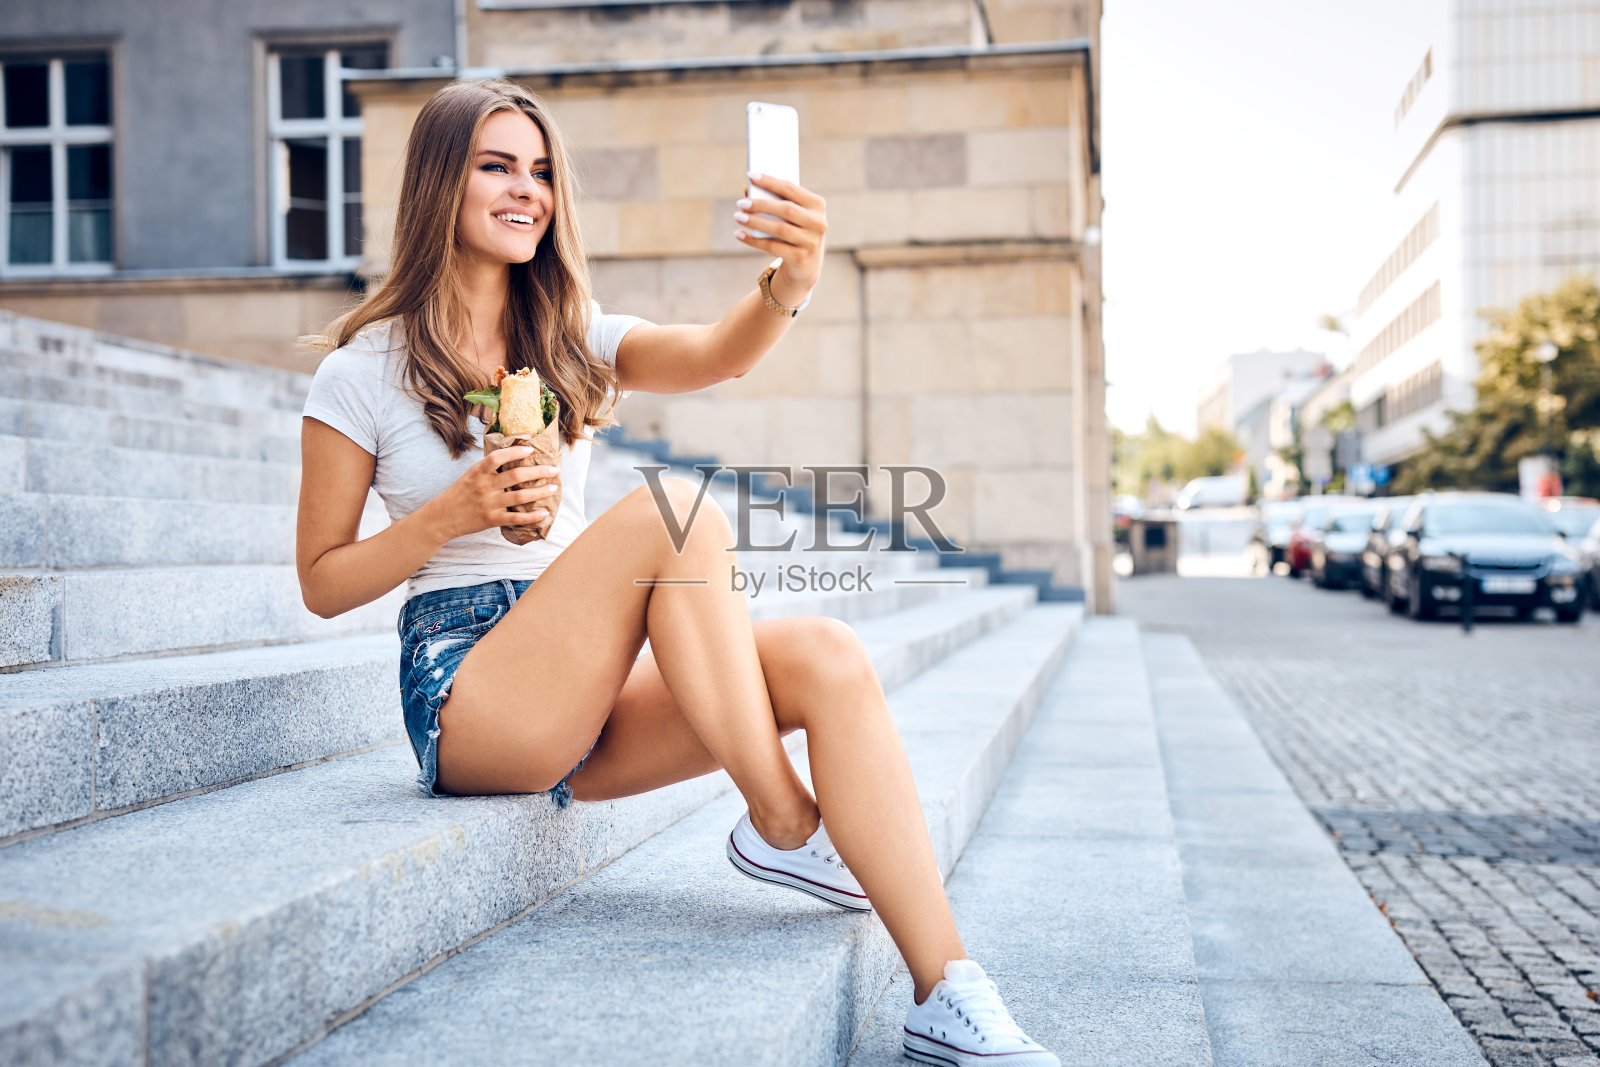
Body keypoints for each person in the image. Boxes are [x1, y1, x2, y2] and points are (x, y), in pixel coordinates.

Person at [296, 79, 1058, 1067]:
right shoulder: (360, 371)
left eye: (540, 171)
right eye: (496, 165)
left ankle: (947, 989)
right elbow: (321, 578)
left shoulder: (566, 336)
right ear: (441, 180)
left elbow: (712, 356)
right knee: (678, 515)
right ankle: (783, 817)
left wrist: (790, 277)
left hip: (584, 681)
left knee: (825, 654)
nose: (526, 189)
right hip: (468, 691)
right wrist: (458, 510)